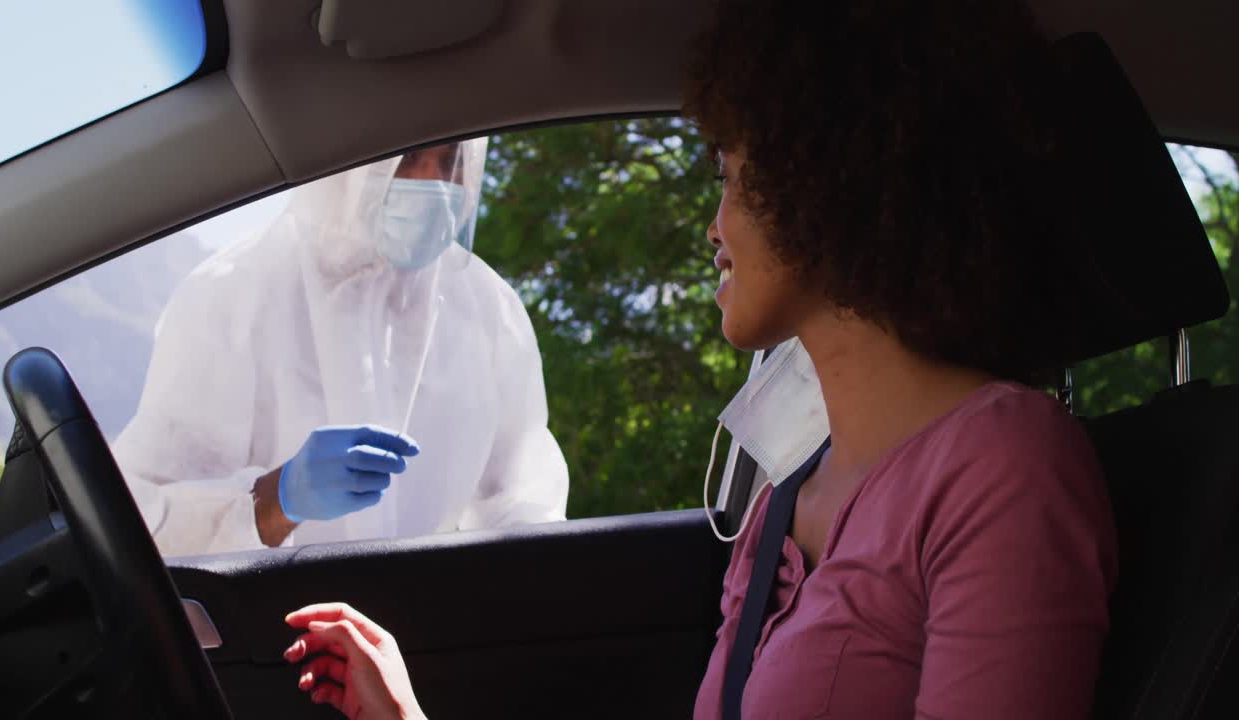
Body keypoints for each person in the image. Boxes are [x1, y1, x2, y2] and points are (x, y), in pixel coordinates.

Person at [278, 1, 1118, 718]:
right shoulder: (782, 503)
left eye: (730, 177)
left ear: (828, 174)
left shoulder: (1004, 467)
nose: (714, 229)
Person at [113, 139, 569, 556]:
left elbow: (524, 503)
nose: (432, 183)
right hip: (273, 626)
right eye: (410, 156)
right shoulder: (235, 293)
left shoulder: (487, 308)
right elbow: (147, 526)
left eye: (451, 162)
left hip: (417, 631)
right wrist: (278, 497)